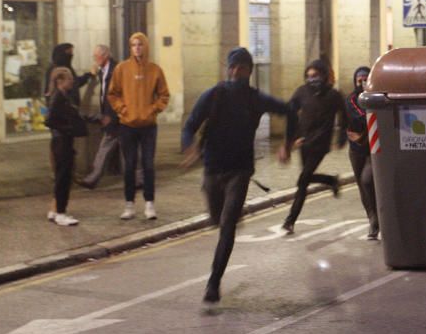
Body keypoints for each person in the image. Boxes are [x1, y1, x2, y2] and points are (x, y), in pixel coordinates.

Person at [182, 48, 297, 305]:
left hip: (240, 170)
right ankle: (231, 213)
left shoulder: (255, 99)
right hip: (212, 168)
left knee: (227, 226)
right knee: (216, 218)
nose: (236, 72)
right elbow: (190, 124)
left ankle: (213, 283)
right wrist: (189, 145)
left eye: (242, 68)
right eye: (232, 67)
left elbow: (289, 111)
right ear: (228, 69)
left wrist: (287, 145)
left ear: (249, 72)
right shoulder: (214, 94)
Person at [108, 32, 170, 220]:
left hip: (148, 125)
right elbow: (113, 94)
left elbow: (164, 95)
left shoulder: (155, 70)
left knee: (148, 165)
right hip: (127, 125)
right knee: (130, 166)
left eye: (140, 45)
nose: (137, 48)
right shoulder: (121, 69)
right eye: (134, 45)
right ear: (130, 47)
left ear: (146, 46)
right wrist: (122, 109)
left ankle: (149, 203)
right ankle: (129, 204)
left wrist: (153, 109)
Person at [282, 59, 348, 235]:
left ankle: (290, 220)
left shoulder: (334, 95)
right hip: (304, 142)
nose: (312, 79)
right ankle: (331, 180)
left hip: (321, 144)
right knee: (305, 180)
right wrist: (291, 139)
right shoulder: (301, 92)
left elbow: (344, 117)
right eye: (309, 76)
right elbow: (291, 114)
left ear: (323, 75)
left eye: (316, 75)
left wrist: (341, 137)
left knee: (303, 180)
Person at [45, 67, 88, 226]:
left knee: (61, 178)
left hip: (62, 142)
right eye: (69, 79)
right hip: (61, 143)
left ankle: (55, 211)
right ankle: (61, 213)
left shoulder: (62, 96)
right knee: (63, 178)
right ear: (60, 82)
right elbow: (49, 120)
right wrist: (67, 129)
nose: (72, 82)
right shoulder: (58, 98)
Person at [77, 44, 120, 189]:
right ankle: (92, 178)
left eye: (97, 57)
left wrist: (111, 116)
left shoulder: (116, 70)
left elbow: (117, 96)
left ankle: (93, 178)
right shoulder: (102, 71)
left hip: (117, 117)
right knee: (112, 148)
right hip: (110, 116)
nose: (95, 59)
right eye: (94, 57)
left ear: (105, 55)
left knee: (116, 148)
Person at [344, 66, 379, 240]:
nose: (362, 82)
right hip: (356, 150)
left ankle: (377, 218)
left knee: (368, 180)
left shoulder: (376, 97)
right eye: (359, 80)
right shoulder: (351, 99)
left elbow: (373, 116)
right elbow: (359, 116)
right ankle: (372, 219)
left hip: (372, 149)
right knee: (362, 186)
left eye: (366, 78)